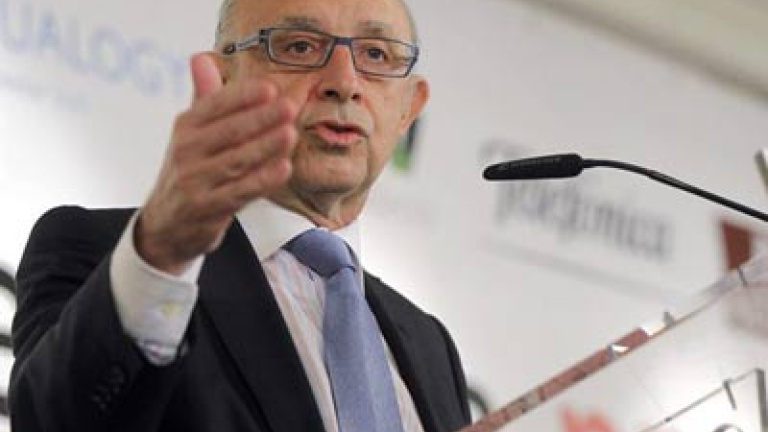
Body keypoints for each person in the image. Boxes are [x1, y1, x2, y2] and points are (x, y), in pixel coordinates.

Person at [10, 0, 472, 431]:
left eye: (376, 54)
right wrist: (162, 255)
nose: (344, 83)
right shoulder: (107, 254)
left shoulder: (430, 344)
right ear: (223, 80)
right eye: (299, 47)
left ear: (409, 109)